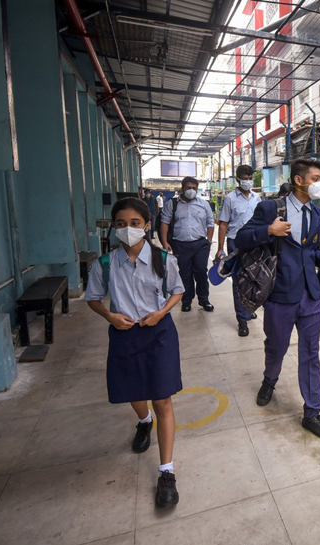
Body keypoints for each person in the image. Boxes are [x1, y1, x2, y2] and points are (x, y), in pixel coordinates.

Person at [85, 197, 185, 509]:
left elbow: (177, 291)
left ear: (147, 225)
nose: (128, 229)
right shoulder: (104, 263)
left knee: (163, 399)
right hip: (124, 336)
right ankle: (144, 422)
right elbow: (93, 298)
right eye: (121, 224)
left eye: (135, 223)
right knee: (133, 392)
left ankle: (166, 471)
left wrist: (161, 313)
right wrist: (109, 316)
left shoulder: (163, 258)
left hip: (159, 334)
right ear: (114, 227)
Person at [235, 158, 320, 440]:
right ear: (299, 180)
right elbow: (242, 238)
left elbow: (311, 251)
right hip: (280, 295)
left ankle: (312, 412)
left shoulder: (318, 215)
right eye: (316, 178)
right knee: (277, 347)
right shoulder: (272, 208)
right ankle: (269, 380)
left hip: (310, 296)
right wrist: (268, 231)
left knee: (311, 354)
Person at [216, 165, 262, 336]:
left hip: (255, 242)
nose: (248, 180)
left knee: (253, 279)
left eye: (250, 177)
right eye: (245, 177)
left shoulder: (257, 197)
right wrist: (220, 248)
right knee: (238, 280)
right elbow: (223, 224)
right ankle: (242, 319)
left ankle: (248, 309)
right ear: (237, 179)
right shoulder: (229, 199)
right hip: (236, 242)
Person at [160, 177, 215, 313]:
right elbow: (164, 223)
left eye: (194, 188)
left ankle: (204, 299)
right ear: (182, 188)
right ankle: (186, 301)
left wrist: (208, 240)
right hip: (180, 244)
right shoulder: (172, 204)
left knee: (201, 271)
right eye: (188, 188)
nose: (191, 190)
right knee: (185, 273)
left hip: (200, 244)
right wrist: (165, 242)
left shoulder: (204, 204)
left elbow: (210, 223)